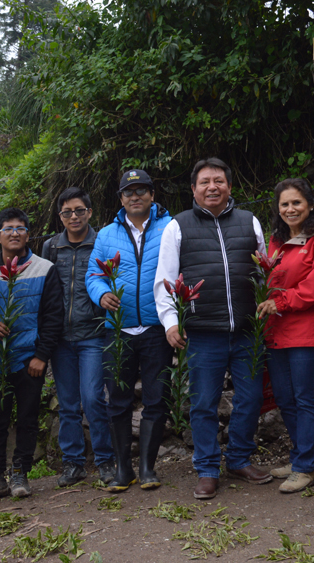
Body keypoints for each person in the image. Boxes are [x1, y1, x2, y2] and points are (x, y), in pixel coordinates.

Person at [154, 157, 269, 500]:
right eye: (204, 182)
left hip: (248, 329)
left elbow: (264, 270)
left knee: (250, 398)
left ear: (229, 186)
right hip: (203, 332)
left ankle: (239, 458)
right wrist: (170, 322)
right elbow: (164, 280)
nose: (212, 187)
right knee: (204, 403)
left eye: (218, 180)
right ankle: (206, 469)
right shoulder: (178, 226)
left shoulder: (250, 222)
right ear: (194, 189)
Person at [86, 169, 172, 492]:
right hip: (118, 329)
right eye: (128, 192)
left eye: (141, 190)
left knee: (156, 398)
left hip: (156, 327)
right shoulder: (107, 235)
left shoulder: (170, 227)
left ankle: (148, 467)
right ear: (121, 199)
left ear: (152, 194)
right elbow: (93, 275)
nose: (135, 196)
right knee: (118, 401)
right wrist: (100, 294)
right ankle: (124, 470)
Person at [255, 178, 314, 493]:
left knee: (305, 398)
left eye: (296, 203)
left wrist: (277, 301)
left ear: (310, 204)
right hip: (276, 329)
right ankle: (300, 459)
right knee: (285, 397)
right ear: (277, 209)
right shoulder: (276, 240)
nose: (290, 209)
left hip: (308, 329)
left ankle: (306, 467)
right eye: (284, 204)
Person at [0, 208, 64, 505]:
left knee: (27, 418)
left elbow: (53, 317)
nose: (15, 233)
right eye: (8, 228)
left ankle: (20, 473)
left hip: (30, 360)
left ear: (28, 234)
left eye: (21, 228)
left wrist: (41, 355)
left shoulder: (44, 268)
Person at [42, 188, 116, 487]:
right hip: (60, 338)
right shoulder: (51, 248)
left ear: (89, 212)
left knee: (93, 398)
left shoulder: (103, 243)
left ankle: (105, 460)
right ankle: (73, 464)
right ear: (60, 216)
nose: (73, 216)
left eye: (79, 210)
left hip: (94, 335)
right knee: (68, 404)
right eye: (67, 212)